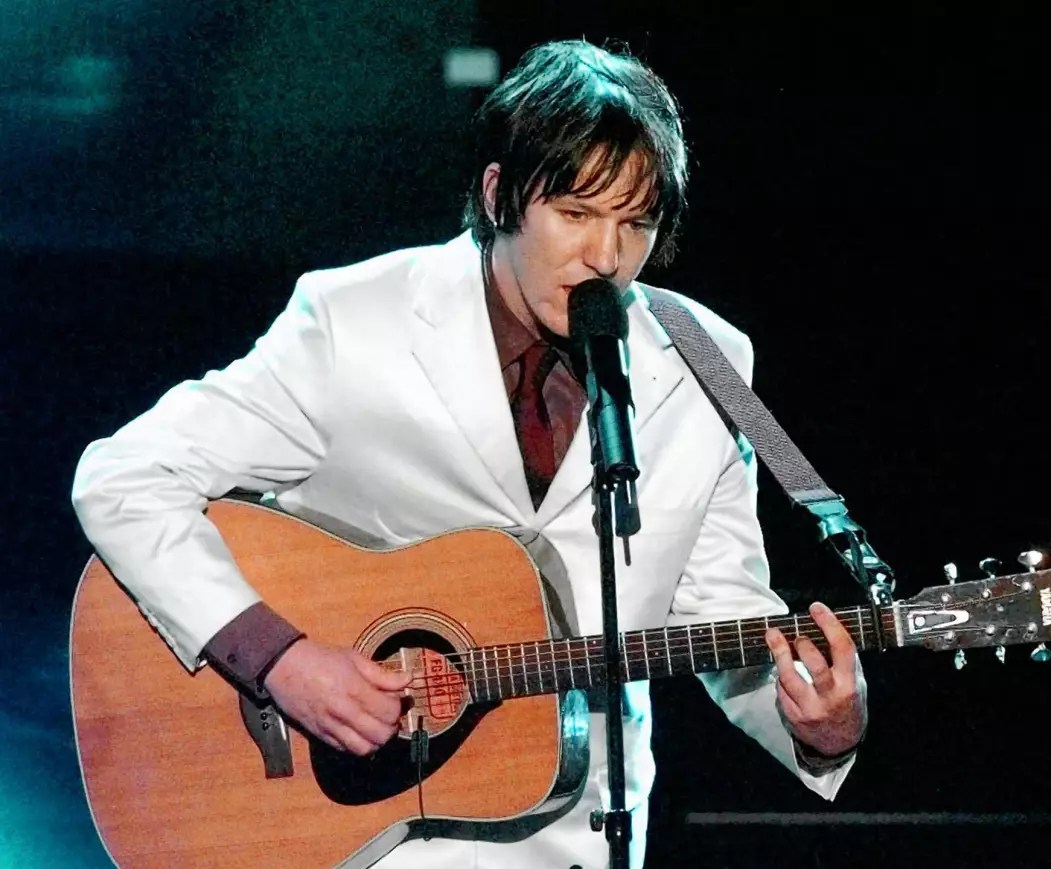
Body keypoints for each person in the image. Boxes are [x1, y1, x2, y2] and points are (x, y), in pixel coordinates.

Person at [72, 38, 867, 868]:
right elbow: (124, 477)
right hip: (361, 838)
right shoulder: (356, 322)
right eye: (576, 214)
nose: (607, 257)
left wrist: (825, 726)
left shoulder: (707, 364)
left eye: (635, 224)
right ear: (498, 194)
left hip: (576, 838)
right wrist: (281, 659)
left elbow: (723, 620)